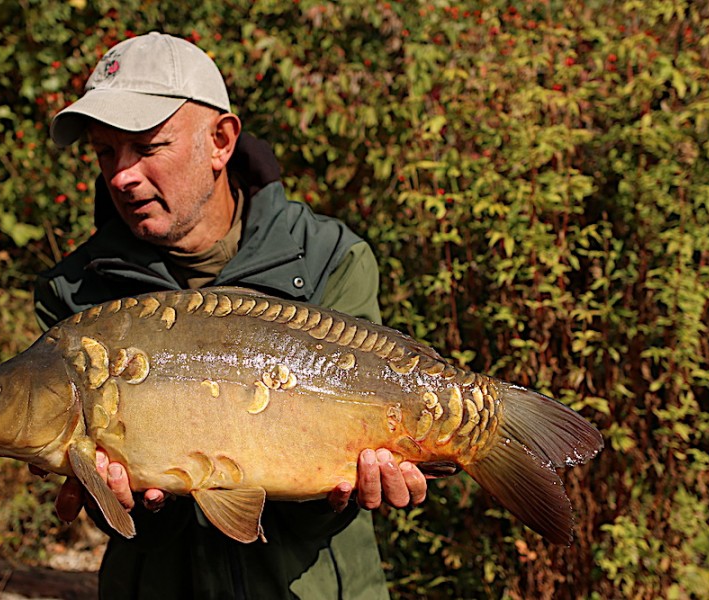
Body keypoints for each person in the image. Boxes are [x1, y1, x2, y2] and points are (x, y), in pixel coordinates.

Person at [34, 32, 428, 599]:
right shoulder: (75, 292)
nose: (121, 175)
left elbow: (339, 490)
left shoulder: (328, 259)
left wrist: (344, 490)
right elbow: (109, 504)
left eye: (146, 147)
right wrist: (114, 498)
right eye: (105, 151)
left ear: (220, 142)